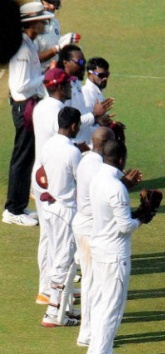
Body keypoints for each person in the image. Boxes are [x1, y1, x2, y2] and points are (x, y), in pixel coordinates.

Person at [73, 128, 141, 347]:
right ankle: (89, 336)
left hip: (90, 226)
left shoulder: (90, 162)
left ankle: (91, 334)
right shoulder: (96, 167)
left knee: (95, 284)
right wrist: (140, 215)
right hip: (93, 228)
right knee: (94, 285)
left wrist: (125, 185)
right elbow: (112, 200)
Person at [86, 140, 147, 354]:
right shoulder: (116, 187)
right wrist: (143, 216)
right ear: (121, 159)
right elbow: (125, 226)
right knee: (113, 306)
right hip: (114, 253)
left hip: (100, 247)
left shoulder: (99, 178)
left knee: (103, 302)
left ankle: (98, 351)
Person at [3, 2, 53, 227]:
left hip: (29, 106)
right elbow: (21, 86)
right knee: (22, 159)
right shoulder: (23, 49)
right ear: (31, 23)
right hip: (24, 107)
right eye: (42, 20)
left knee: (26, 157)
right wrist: (46, 77)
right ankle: (12, 210)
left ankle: (19, 205)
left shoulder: (28, 44)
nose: (45, 23)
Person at [32, 67, 75, 305]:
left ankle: (49, 288)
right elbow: (67, 140)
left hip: (42, 176)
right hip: (52, 179)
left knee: (49, 236)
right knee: (57, 238)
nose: (70, 86)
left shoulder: (41, 106)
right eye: (67, 83)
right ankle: (51, 292)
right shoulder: (57, 110)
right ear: (58, 87)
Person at [40, 106, 82, 327]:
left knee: (61, 258)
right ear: (74, 125)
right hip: (66, 210)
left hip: (50, 208)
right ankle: (52, 312)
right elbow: (80, 179)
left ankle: (65, 309)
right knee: (64, 261)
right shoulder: (72, 152)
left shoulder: (49, 145)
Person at [58, 44, 114, 147]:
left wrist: (101, 121)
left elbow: (84, 117)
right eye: (79, 62)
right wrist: (95, 115)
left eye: (83, 61)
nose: (83, 65)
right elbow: (69, 123)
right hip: (77, 144)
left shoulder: (76, 84)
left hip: (84, 144)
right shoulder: (65, 90)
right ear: (66, 62)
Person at [35, 0, 80, 71]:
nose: (52, 6)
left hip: (55, 73)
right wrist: (57, 48)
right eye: (49, 2)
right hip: (39, 75)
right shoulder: (32, 27)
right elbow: (34, 59)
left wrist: (65, 44)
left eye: (55, 3)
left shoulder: (55, 22)